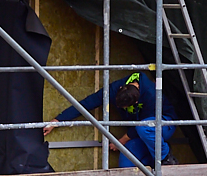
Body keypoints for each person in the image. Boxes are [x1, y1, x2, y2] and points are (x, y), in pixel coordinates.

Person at [42, 68, 177, 169]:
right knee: (126, 165)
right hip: (140, 134)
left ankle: (166, 158)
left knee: (144, 127)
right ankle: (154, 160)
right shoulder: (114, 89)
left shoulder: (151, 95)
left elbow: (143, 125)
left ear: (136, 103)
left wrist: (121, 141)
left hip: (163, 124)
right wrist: (57, 121)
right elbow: (87, 103)